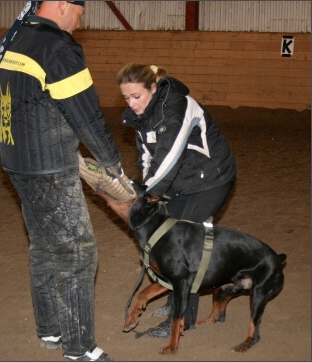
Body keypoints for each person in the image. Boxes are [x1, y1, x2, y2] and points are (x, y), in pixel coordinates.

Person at [0, 2, 132, 361]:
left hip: (15, 160)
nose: (80, 17)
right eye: (78, 9)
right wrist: (113, 165)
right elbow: (85, 112)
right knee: (77, 252)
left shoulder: (14, 37)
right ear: (60, 5)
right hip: (50, 166)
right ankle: (80, 349)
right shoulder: (58, 47)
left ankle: (51, 329)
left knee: (44, 246)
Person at [116, 63, 237, 338]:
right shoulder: (141, 116)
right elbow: (148, 158)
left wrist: (146, 196)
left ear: (153, 88)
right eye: (126, 98)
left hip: (211, 179)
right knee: (164, 241)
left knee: (186, 244)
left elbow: (169, 154)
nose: (132, 104)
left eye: (137, 96)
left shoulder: (178, 105)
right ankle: (174, 301)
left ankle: (184, 319)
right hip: (180, 182)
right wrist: (148, 189)